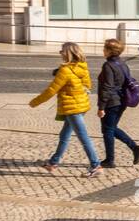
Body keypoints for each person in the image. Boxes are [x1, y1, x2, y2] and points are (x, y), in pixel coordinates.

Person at [30, 42, 101, 177]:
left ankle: (96, 165)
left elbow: (51, 90)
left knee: (83, 137)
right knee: (64, 135)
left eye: (62, 51)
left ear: (68, 53)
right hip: (81, 106)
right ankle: (53, 162)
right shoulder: (83, 67)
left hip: (72, 108)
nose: (60, 53)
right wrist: (77, 93)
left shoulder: (65, 70)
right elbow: (88, 86)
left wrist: (35, 102)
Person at [96, 38, 139, 168]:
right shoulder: (122, 64)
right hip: (121, 101)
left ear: (110, 51)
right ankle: (135, 148)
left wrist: (101, 107)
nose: (103, 50)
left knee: (108, 131)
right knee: (110, 128)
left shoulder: (108, 65)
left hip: (111, 102)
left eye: (104, 48)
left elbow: (108, 87)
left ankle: (110, 160)